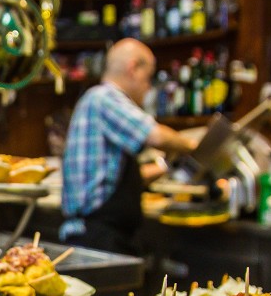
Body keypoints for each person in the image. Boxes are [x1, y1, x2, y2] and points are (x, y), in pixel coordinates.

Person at [60, 38, 200, 254]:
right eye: (149, 77)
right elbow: (155, 136)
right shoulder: (103, 97)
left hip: (103, 234)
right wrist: (195, 145)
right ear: (133, 68)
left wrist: (165, 168)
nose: (148, 87)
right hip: (96, 236)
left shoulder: (96, 101)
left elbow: (114, 179)